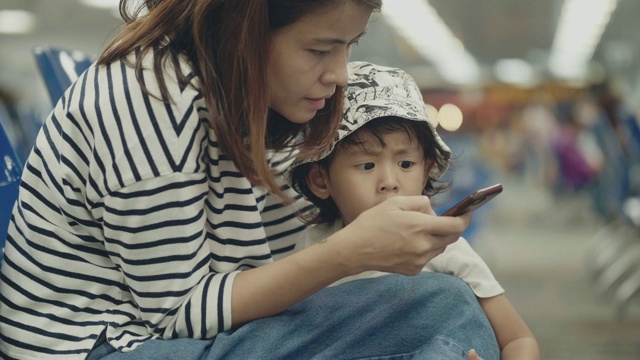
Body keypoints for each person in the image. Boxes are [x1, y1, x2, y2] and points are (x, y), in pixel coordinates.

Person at [0, 1, 501, 359]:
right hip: (103, 344)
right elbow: (180, 315)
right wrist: (350, 253)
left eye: (349, 46)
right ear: (242, 29)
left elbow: (273, 263)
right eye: (320, 49)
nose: (340, 74)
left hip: (184, 330)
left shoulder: (263, 97)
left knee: (437, 309)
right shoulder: (145, 98)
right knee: (439, 310)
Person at [290, 61, 541, 359]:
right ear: (321, 179)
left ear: (426, 171)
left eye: (406, 164)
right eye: (367, 165)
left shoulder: (443, 251)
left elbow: (519, 339)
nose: (389, 182)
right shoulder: (312, 248)